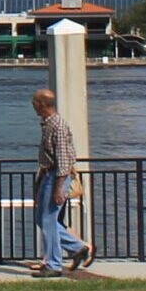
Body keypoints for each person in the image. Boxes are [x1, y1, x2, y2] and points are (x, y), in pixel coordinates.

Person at [29, 88, 94, 275]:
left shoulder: (57, 125)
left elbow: (64, 161)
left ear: (42, 104)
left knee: (48, 220)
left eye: (34, 102)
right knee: (42, 219)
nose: (33, 106)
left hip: (56, 177)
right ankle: (77, 248)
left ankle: (53, 265)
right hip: (47, 175)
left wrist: (59, 188)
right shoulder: (47, 124)